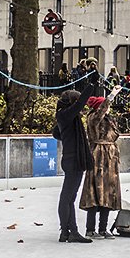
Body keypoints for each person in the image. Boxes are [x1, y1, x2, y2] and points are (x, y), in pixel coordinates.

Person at [53, 70, 99, 243]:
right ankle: (67, 231)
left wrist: (68, 138)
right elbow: (80, 104)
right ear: (71, 103)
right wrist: (92, 84)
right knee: (67, 198)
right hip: (73, 160)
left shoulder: (65, 118)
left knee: (69, 198)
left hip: (73, 158)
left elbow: (56, 133)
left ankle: (69, 231)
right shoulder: (65, 115)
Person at [80, 85, 124, 238]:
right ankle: (90, 229)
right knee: (94, 192)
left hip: (110, 159)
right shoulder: (93, 118)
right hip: (98, 157)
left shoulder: (109, 119)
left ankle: (103, 228)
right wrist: (111, 95)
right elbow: (101, 111)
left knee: (108, 192)